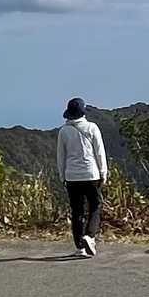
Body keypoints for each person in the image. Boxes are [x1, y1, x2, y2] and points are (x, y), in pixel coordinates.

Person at [56, 97, 108, 257]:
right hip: (91, 174)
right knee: (95, 206)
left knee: (77, 211)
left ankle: (80, 247)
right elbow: (99, 152)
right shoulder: (92, 127)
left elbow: (61, 156)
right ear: (83, 112)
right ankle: (90, 236)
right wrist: (103, 172)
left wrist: (62, 176)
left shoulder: (63, 131)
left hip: (72, 176)